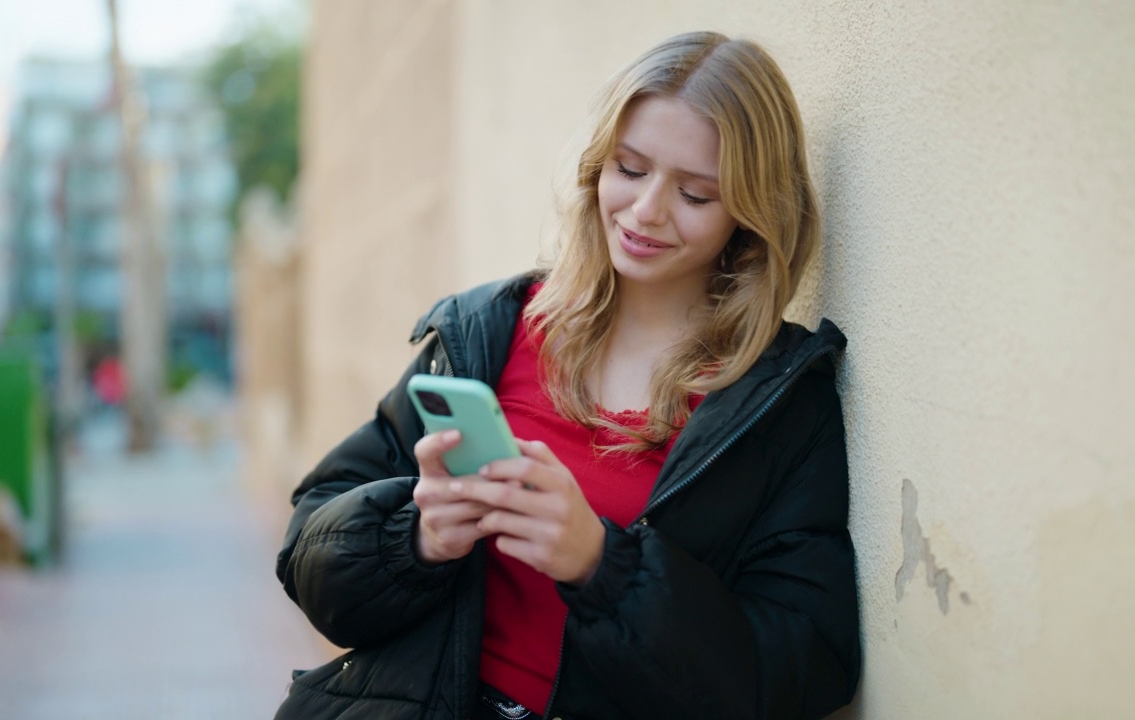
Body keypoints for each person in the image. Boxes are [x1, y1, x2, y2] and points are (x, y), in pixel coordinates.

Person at [275, 31, 860, 720]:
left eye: (696, 194)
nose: (645, 212)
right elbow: (308, 548)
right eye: (630, 168)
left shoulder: (779, 398)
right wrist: (416, 535)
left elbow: (806, 664)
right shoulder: (486, 330)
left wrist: (603, 568)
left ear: (749, 214)